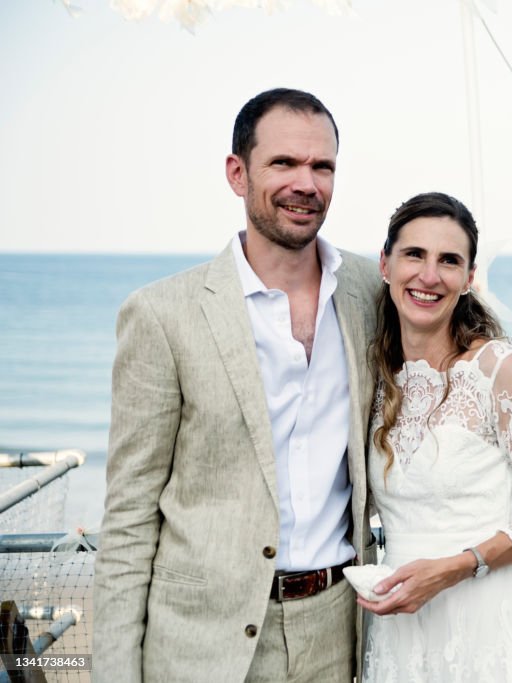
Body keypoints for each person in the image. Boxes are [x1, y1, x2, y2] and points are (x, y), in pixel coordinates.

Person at [92, 88, 379, 682]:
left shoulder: (371, 293)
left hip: (337, 629)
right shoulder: (161, 314)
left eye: (322, 166)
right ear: (237, 172)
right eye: (284, 163)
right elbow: (128, 519)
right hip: (201, 643)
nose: (307, 183)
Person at [359, 192, 512, 681]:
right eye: (414, 254)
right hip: (400, 631)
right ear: (385, 263)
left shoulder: (495, 367)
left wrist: (457, 567)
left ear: (467, 278)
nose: (429, 275)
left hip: (486, 627)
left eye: (449, 261)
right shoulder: (376, 377)